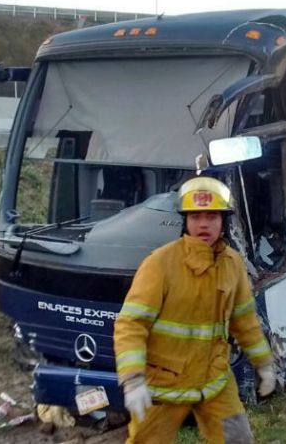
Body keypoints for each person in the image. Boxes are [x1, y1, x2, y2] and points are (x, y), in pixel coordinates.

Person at [113, 176, 276, 444]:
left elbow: (244, 320)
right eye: (196, 216)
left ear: (224, 221)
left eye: (212, 216)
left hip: (214, 380)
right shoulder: (160, 264)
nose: (203, 224)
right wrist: (132, 379)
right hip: (163, 385)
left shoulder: (233, 264)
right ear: (185, 221)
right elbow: (131, 324)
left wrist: (264, 364)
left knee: (237, 439)